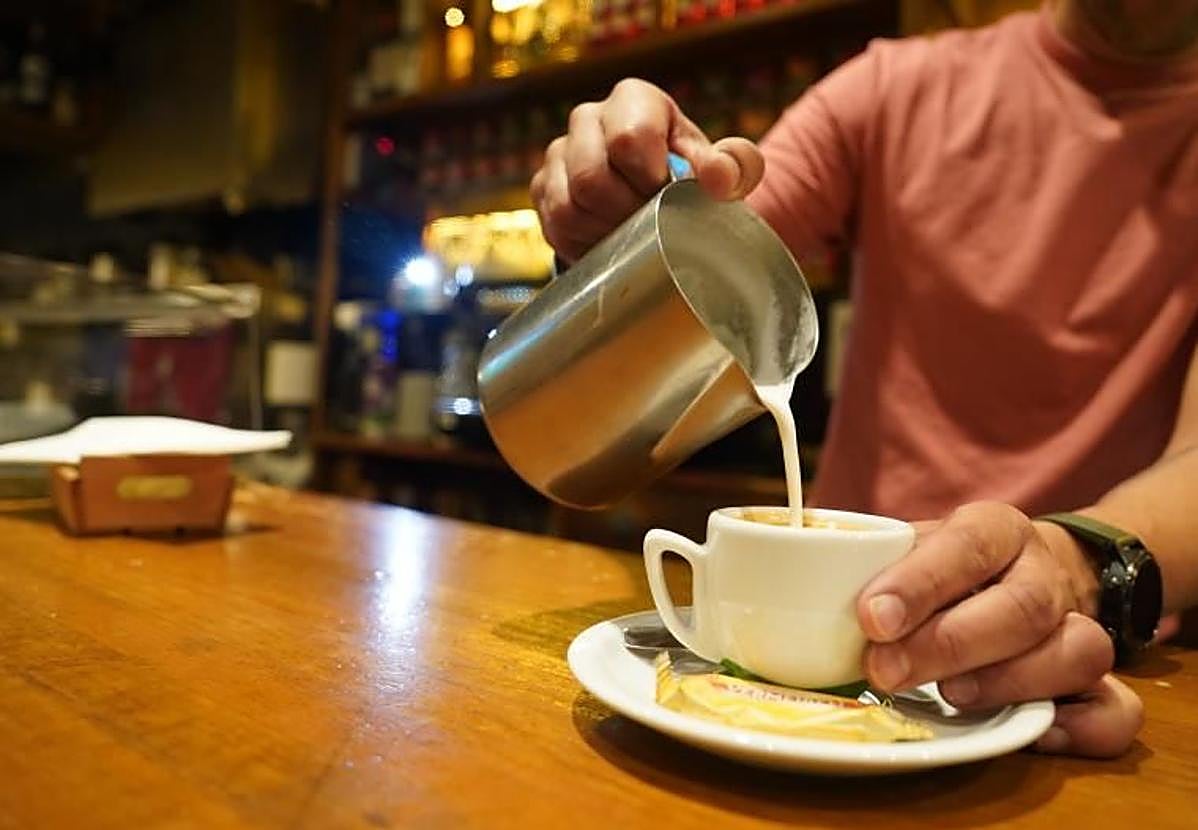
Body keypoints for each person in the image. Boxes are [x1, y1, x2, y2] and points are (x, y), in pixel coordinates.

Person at [531, 0, 1198, 757]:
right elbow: (719, 256)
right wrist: (618, 217)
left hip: (1083, 662)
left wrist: (1079, 571)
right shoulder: (895, 88)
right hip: (806, 653)